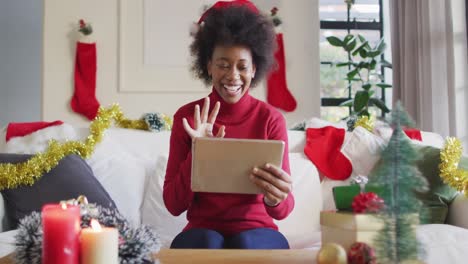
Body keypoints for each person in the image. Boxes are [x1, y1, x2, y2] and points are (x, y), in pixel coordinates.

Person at [163, 0, 294, 249]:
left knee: (246, 243)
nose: (233, 76)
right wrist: (198, 151)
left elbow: (283, 211)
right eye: (223, 65)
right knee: (207, 241)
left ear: (255, 68)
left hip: (258, 231)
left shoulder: (271, 120)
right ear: (208, 66)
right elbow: (173, 204)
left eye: (242, 66)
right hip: (202, 231)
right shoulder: (188, 117)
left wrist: (277, 197)